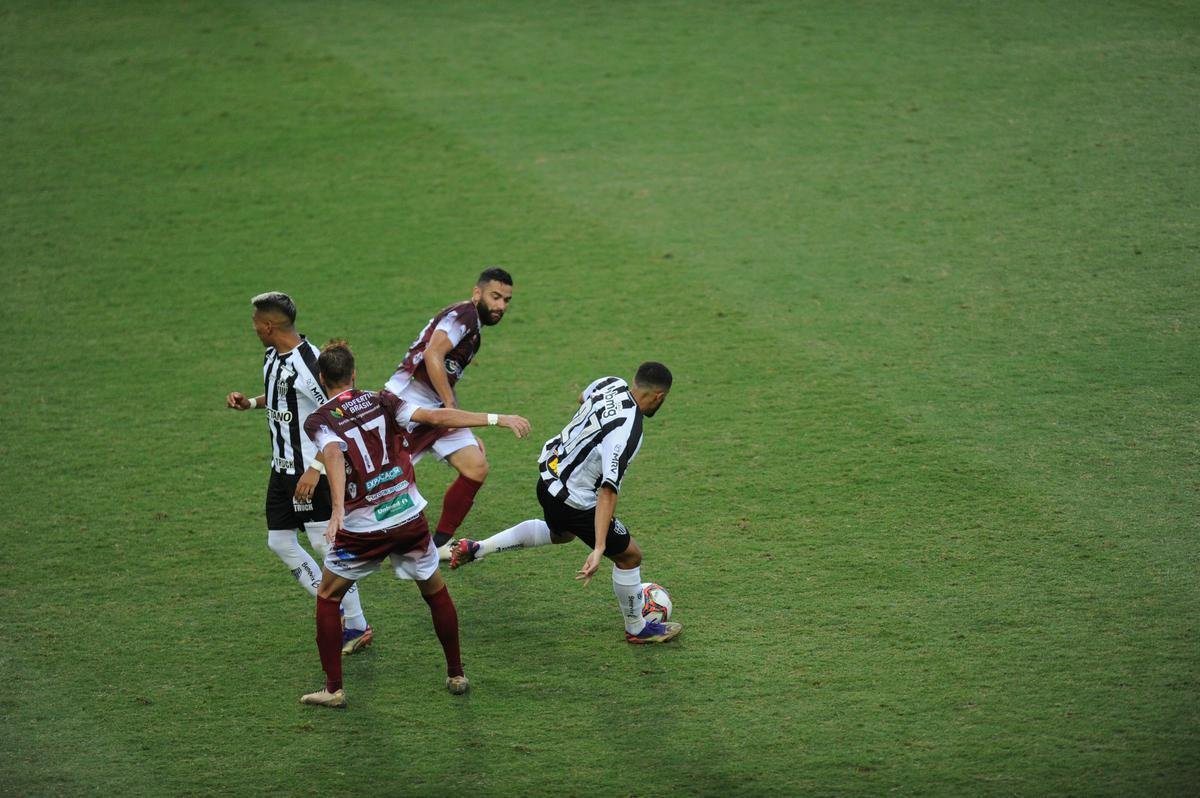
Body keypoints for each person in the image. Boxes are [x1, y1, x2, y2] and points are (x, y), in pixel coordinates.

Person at [299, 340, 531, 708]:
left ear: (322, 378)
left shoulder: (319, 420)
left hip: (363, 528)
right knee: (434, 590)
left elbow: (331, 454)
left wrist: (339, 508)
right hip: (408, 516)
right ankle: (456, 672)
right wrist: (495, 419)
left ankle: (333, 689)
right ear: (354, 373)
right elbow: (436, 417)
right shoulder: (382, 400)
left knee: (328, 596)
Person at [451, 362, 683, 645]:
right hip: (574, 499)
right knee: (630, 556)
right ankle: (637, 627)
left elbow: (583, 398)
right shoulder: (628, 432)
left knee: (561, 534)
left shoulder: (610, 382)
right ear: (659, 397)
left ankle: (478, 548)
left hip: (548, 476)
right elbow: (608, 491)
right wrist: (599, 548)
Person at [225, 292, 373, 655]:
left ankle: (356, 624)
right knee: (279, 542)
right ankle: (335, 607)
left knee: (326, 547)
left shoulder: (311, 365)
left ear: (269, 325)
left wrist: (316, 469)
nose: (254, 329)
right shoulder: (273, 355)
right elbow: (282, 398)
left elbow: (337, 417)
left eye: (256, 323)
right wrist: (252, 404)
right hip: (282, 470)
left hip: (311, 473)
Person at [384, 267, 514, 561]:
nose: (501, 306)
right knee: (386, 482)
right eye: (495, 297)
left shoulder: (475, 328)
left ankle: (437, 544)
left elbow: (443, 374)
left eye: (506, 300)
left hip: (435, 407)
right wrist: (451, 410)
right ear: (477, 292)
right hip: (406, 405)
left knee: (476, 467)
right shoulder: (464, 315)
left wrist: (453, 414)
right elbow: (433, 354)